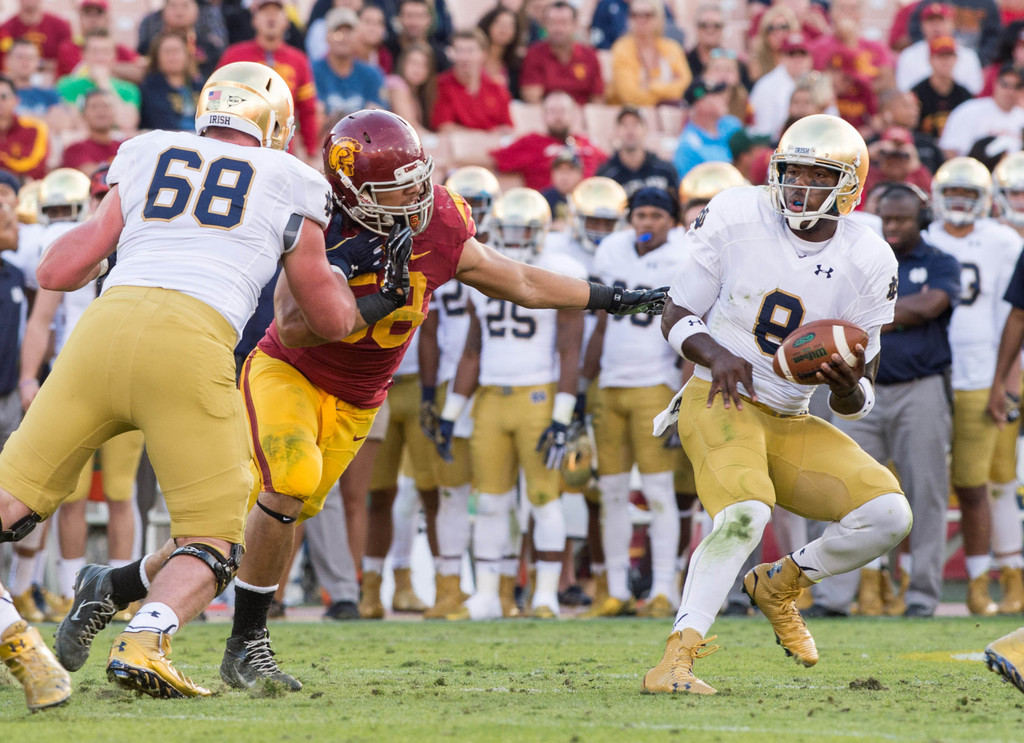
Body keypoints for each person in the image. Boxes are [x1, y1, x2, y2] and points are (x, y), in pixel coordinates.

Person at [209, 109, 666, 689]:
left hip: (359, 398)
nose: (416, 196)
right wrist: (373, 296)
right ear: (353, 191)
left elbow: (519, 280)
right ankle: (246, 645)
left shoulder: (439, 220)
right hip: (290, 373)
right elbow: (295, 325)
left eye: (418, 178)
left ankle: (125, 586)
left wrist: (609, 298)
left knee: (271, 514)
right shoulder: (320, 220)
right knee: (286, 485)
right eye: (396, 188)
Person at [34, 61, 358, 699]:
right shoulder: (294, 179)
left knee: (19, 501)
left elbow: (59, 269)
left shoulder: (148, 151)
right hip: (197, 347)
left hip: (101, 337)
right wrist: (366, 296)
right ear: (275, 126)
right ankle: (146, 636)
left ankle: (112, 588)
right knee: (218, 532)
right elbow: (327, 319)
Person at [644, 114, 912, 694]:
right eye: (792, 173)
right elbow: (674, 314)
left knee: (889, 515)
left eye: (818, 177)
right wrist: (714, 353)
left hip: (791, 416)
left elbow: (860, 396)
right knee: (747, 515)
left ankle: (780, 583)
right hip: (721, 399)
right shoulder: (738, 214)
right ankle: (677, 659)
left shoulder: (870, 257)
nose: (798, 189)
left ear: (848, 187)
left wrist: (843, 388)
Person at [437, 187, 587, 620]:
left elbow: (570, 351)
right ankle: (485, 594)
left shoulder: (560, 269)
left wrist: (562, 416)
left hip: (537, 396)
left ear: (540, 232)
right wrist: (450, 414)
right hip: (489, 398)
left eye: (524, 230)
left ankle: (544, 595)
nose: (516, 238)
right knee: (490, 502)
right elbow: (471, 351)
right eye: (509, 229)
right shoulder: (482, 268)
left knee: (543, 498)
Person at [813, 183, 960, 617]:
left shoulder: (939, 261)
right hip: (855, 390)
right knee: (842, 492)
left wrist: (868, 317)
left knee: (926, 493)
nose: (893, 227)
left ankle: (922, 596)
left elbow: (931, 305)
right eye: (887, 219)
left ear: (923, 220)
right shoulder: (857, 261)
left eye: (902, 219)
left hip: (921, 388)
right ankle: (835, 597)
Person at [922, 156, 1022, 616]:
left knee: (980, 483)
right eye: (953, 194)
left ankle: (984, 581)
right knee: (913, 483)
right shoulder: (922, 239)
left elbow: (1012, 315)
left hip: (982, 375)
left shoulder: (1001, 242)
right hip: (929, 373)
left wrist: (1004, 379)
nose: (959, 204)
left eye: (968, 195)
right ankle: (890, 580)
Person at [581, 186, 686, 618]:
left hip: (655, 384)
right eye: (640, 215)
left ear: (671, 222)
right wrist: (582, 385)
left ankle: (664, 589)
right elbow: (601, 325)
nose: (646, 223)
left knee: (660, 491)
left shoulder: (685, 255)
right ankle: (618, 588)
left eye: (655, 216)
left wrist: (683, 394)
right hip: (611, 384)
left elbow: (688, 328)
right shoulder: (610, 250)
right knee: (611, 492)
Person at [416, 166, 502, 619]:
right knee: (452, 491)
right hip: (456, 379)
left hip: (507, 381)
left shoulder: (510, 246)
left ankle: (506, 585)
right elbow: (428, 329)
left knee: (502, 493)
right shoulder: (436, 243)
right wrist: (431, 392)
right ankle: (449, 587)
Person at [217, 0, 320, 160]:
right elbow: (216, 97)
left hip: (283, 152)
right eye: (265, 12)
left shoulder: (299, 60)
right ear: (254, 20)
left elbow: (308, 110)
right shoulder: (234, 56)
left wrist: (311, 150)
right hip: (237, 148)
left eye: (276, 12)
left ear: (286, 22)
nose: (271, 17)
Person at [489, 91, 606, 191]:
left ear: (573, 114)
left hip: (588, 207)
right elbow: (493, 161)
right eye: (552, 111)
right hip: (548, 207)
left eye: (563, 111)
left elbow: (610, 165)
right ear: (543, 116)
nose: (558, 117)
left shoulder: (587, 143)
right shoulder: (532, 142)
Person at [607, 0, 691, 107]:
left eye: (647, 15)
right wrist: (667, 92)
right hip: (631, 115)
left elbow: (686, 87)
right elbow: (629, 95)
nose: (641, 20)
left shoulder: (672, 48)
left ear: (658, 17)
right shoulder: (622, 48)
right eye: (635, 15)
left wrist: (651, 87)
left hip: (668, 114)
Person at [519, 1, 604, 106]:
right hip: (546, 118)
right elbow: (532, 99)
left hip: (582, 118)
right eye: (552, 23)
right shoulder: (534, 54)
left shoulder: (590, 56)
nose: (558, 29)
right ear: (544, 25)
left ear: (575, 24)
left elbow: (597, 99)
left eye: (564, 22)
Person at [430, 29, 512, 133]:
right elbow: (445, 128)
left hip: (494, 146)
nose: (464, 57)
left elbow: (508, 128)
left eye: (470, 51)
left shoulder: (496, 87)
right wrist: (486, 135)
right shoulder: (441, 85)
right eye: (459, 51)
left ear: (483, 54)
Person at [939, 64, 1024, 159]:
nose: (1010, 91)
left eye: (1017, 86)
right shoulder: (970, 110)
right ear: (995, 83)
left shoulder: (1021, 117)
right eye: (1005, 84)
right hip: (973, 169)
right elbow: (949, 149)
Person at [313, 7, 386, 117]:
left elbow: (378, 117)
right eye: (338, 31)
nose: (344, 38)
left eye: (349, 32)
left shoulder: (372, 74)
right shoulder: (312, 71)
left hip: (361, 133)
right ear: (327, 36)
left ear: (357, 36)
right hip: (326, 134)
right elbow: (314, 117)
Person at [896, 3, 983, 94]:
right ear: (922, 25)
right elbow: (905, 91)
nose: (936, 27)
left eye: (942, 21)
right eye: (931, 21)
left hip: (961, 106)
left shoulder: (968, 55)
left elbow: (974, 91)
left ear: (952, 23)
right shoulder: (908, 55)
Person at [596, 105, 679, 199]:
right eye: (624, 125)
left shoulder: (665, 170)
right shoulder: (606, 176)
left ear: (645, 129)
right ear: (616, 130)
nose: (630, 131)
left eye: (636, 124)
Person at [56, 0, 143, 83]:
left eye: (98, 13)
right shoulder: (67, 48)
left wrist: (109, 68)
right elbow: (59, 81)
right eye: (88, 13)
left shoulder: (118, 48)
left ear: (107, 17)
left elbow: (143, 69)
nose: (93, 19)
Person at [674, 79, 742, 179]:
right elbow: (690, 187)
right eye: (716, 95)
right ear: (701, 104)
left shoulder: (731, 124)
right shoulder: (688, 146)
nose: (724, 99)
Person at [139, 30, 203, 132]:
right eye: (167, 52)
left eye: (177, 51)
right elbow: (162, 122)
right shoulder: (150, 87)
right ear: (157, 57)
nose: (173, 56)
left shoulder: (199, 85)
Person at [913, 36, 974, 139]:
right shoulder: (917, 93)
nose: (945, 61)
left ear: (956, 59)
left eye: (949, 56)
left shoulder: (965, 95)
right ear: (930, 60)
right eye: (940, 56)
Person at [61, 90, 122, 175]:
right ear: (83, 114)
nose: (101, 112)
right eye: (94, 107)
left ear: (115, 113)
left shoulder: (126, 146)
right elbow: (95, 176)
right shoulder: (75, 149)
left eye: (106, 106)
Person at [0, 75, 48, 180]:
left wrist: (3, 159)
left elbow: (35, 168)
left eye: (3, 97)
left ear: (16, 100)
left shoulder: (34, 128)